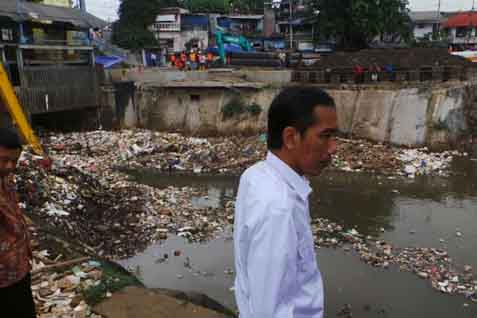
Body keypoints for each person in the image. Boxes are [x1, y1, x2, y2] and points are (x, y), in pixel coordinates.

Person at [234, 87, 338, 318]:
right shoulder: (279, 207)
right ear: (291, 138)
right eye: (325, 136)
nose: (333, 148)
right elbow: (268, 310)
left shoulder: (256, 174)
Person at [0, 128, 36, 318]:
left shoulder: (7, 179)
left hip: (19, 269)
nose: (8, 166)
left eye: (13, 161)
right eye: (3, 159)